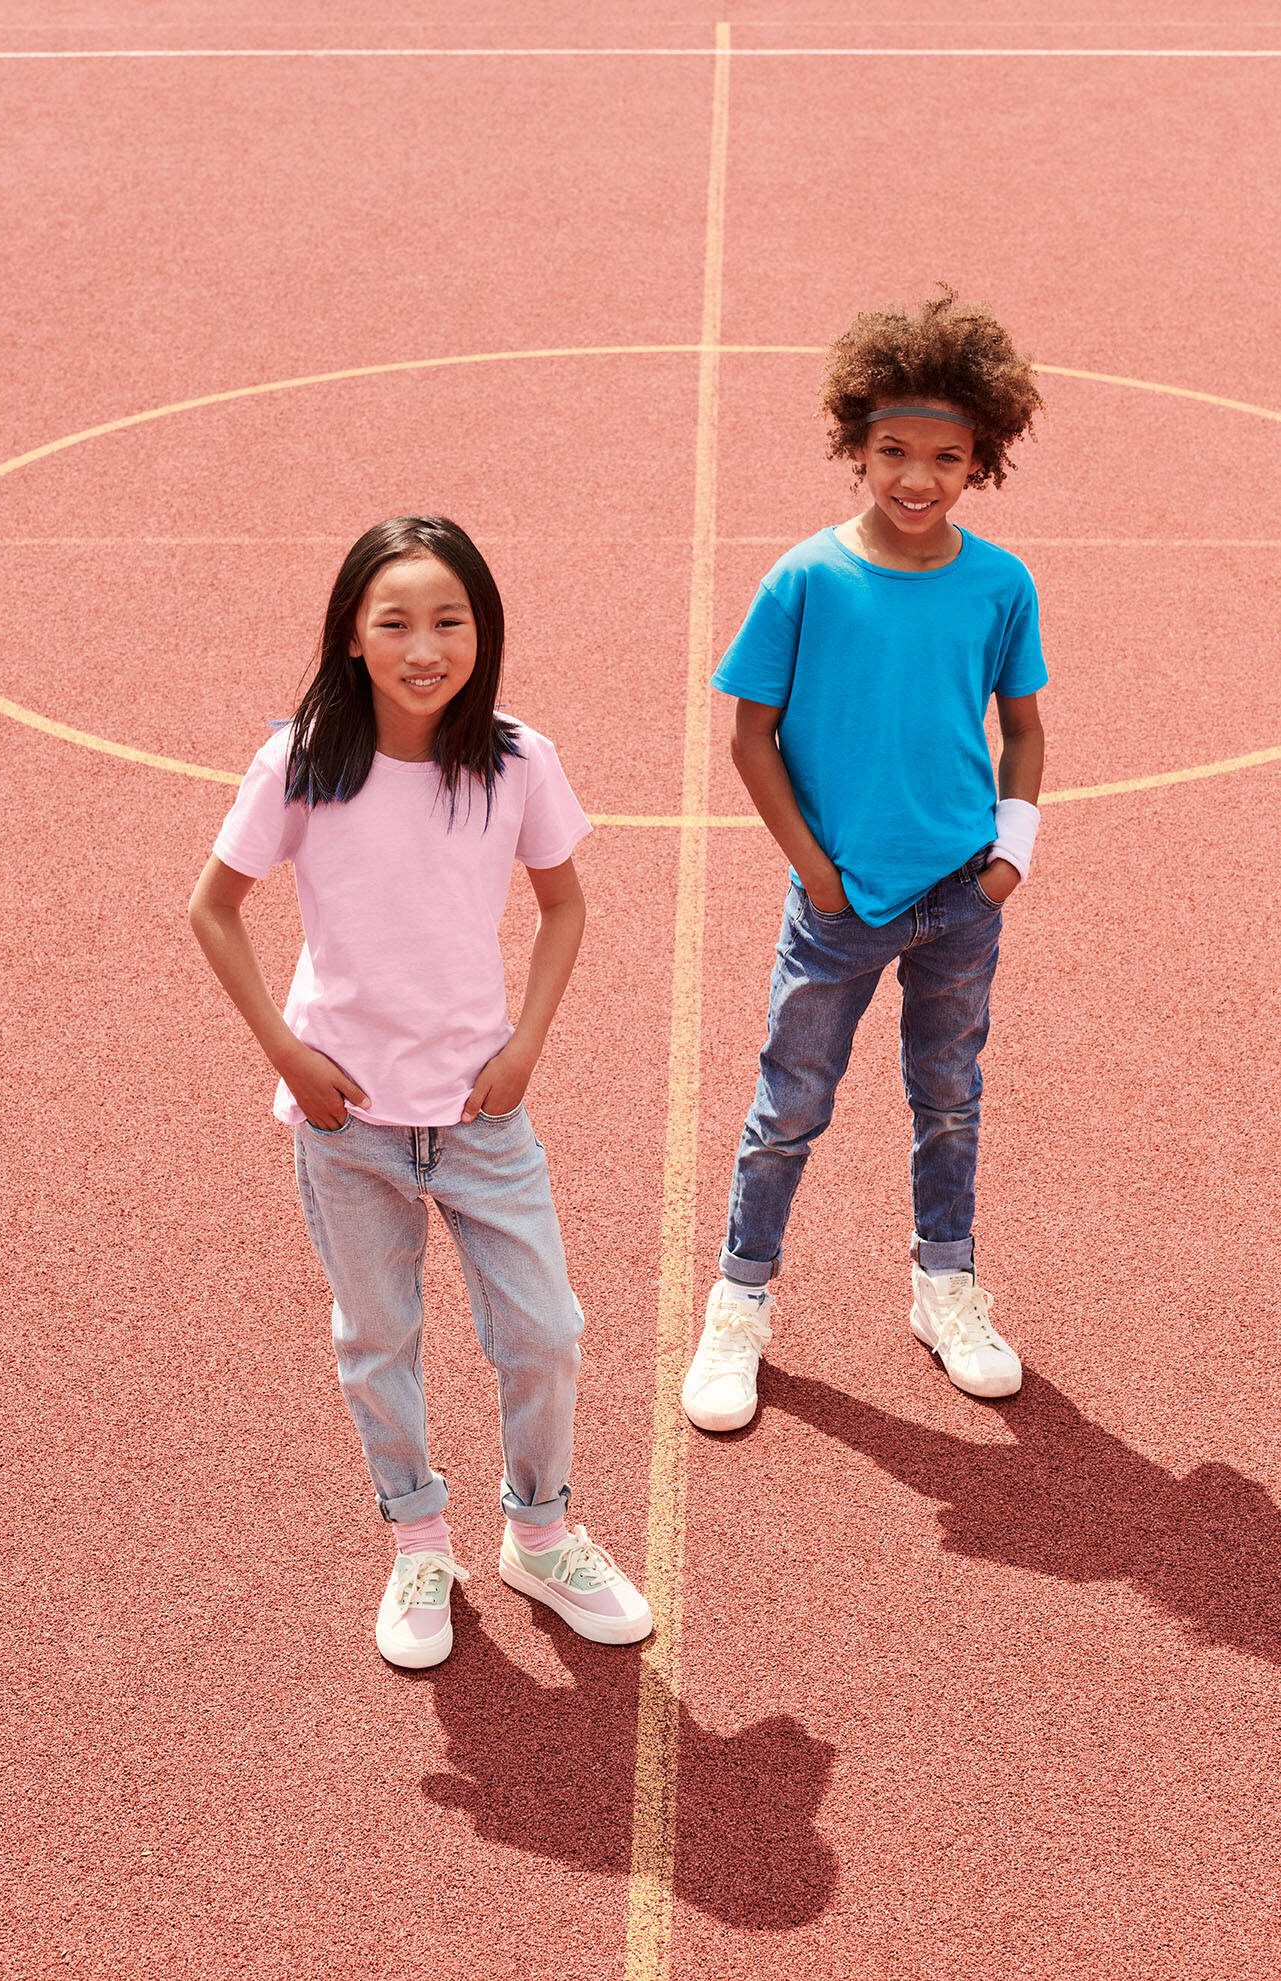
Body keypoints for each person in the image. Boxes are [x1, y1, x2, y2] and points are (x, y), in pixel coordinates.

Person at [189, 514, 652, 1668]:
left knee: (544, 1332)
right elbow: (212, 908)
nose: (423, 644)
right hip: (347, 1122)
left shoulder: (513, 757)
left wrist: (526, 1045)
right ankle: (417, 1541)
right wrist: (286, 1056)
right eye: (394, 620)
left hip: (482, 1113)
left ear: (479, 632)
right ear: (352, 634)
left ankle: (537, 1532)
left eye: (449, 619)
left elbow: (565, 905)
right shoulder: (301, 759)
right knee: (377, 1337)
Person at [682, 290, 1048, 1434]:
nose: (917, 475)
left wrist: (1010, 860)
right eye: (893, 449)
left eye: (946, 455)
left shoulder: (1000, 584)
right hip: (840, 904)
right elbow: (748, 731)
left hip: (960, 894)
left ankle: (946, 1285)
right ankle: (739, 1300)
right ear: (856, 443)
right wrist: (815, 869)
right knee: (788, 1106)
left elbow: (1024, 727)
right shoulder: (805, 581)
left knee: (949, 1099)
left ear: (979, 457)